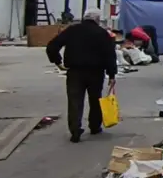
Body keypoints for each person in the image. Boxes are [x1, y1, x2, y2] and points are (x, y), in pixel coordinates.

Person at [46, 8, 117, 142]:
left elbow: (52, 46)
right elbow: (110, 56)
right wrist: (112, 74)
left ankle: (75, 130)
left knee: (75, 101)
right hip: (96, 72)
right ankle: (95, 126)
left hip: (75, 71)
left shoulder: (72, 30)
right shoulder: (102, 33)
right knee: (95, 99)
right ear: (97, 19)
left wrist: (57, 61)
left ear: (84, 17)